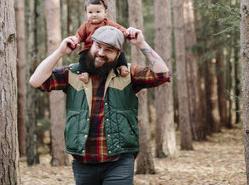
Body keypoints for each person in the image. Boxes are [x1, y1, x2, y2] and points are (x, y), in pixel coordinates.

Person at [29, 26, 171, 185]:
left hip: (119, 160)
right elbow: (36, 81)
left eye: (109, 50)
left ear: (118, 54)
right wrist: (60, 52)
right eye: (98, 46)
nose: (101, 53)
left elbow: (162, 75)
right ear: (91, 46)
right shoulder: (73, 73)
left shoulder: (128, 74)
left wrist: (142, 44)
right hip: (83, 162)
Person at [74, 0, 129, 84]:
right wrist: (74, 40)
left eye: (98, 12)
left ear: (105, 12)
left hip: (108, 47)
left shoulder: (108, 23)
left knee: (120, 53)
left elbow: (120, 29)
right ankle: (84, 73)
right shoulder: (85, 26)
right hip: (89, 49)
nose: (94, 14)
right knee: (83, 57)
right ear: (86, 13)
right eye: (90, 12)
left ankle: (122, 67)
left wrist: (127, 32)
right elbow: (79, 35)